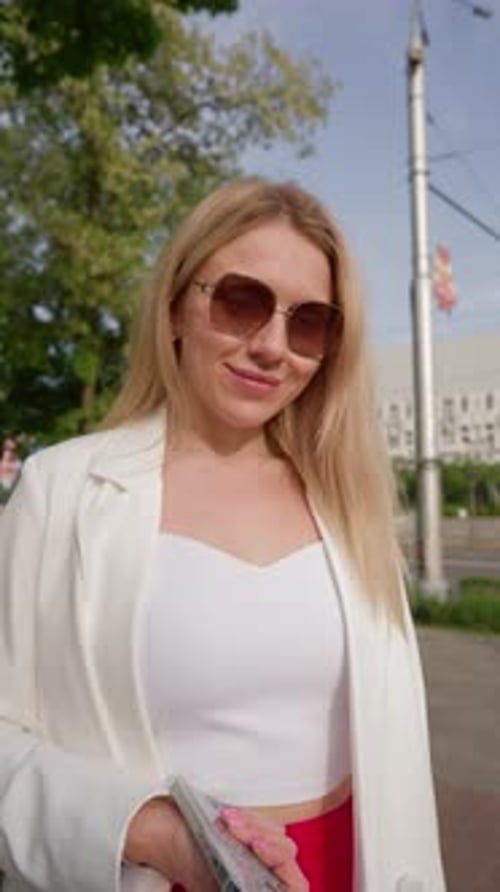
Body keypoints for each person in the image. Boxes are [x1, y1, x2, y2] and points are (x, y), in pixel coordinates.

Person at [0, 178, 446, 892]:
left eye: (309, 322)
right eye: (242, 301)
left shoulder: (349, 504)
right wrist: (152, 830)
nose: (272, 346)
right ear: (177, 305)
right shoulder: (63, 491)